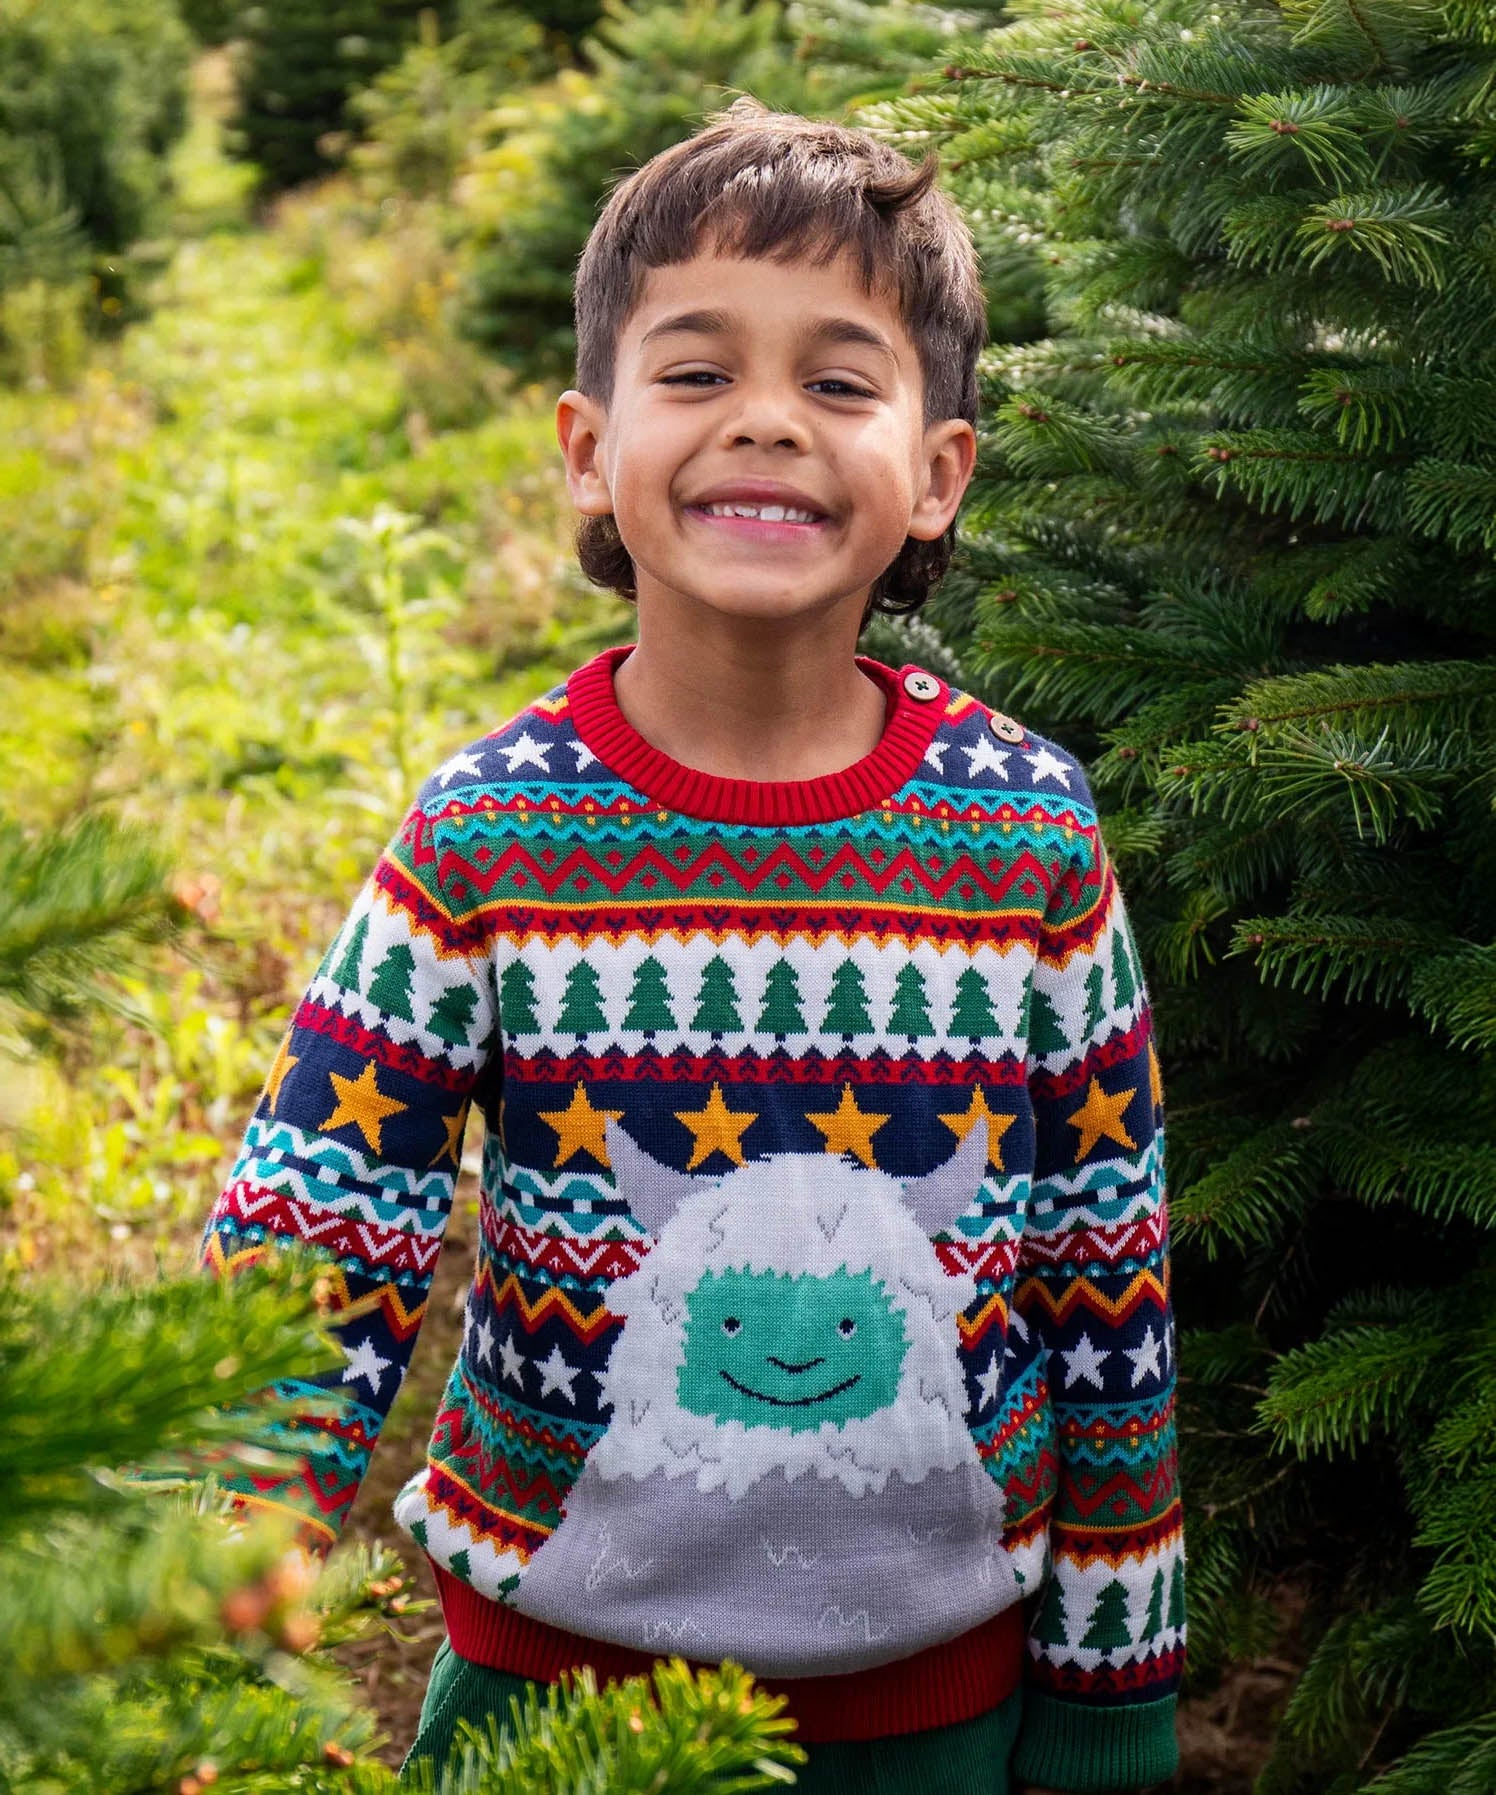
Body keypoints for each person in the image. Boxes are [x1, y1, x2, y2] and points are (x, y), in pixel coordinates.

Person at [163, 95, 1184, 1794]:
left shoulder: (1026, 837)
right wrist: (196, 1597)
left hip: (943, 1710)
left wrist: (1115, 1676)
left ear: (937, 475)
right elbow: (322, 1229)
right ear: (587, 446)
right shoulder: (492, 835)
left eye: (840, 383)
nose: (766, 424)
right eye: (699, 374)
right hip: (551, 1708)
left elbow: (1109, 1269)